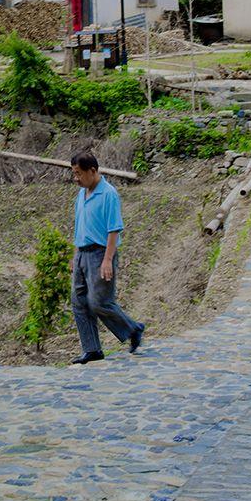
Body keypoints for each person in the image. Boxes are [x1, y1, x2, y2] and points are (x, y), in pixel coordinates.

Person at [70, 152, 144, 365]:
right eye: (74, 173)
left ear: (92, 171)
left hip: (100, 253)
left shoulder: (108, 194)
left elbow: (114, 229)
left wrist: (107, 260)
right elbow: (79, 226)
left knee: (98, 302)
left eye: (79, 173)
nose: (76, 178)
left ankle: (133, 329)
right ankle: (92, 349)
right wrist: (75, 256)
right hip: (82, 253)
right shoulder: (81, 194)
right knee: (79, 302)